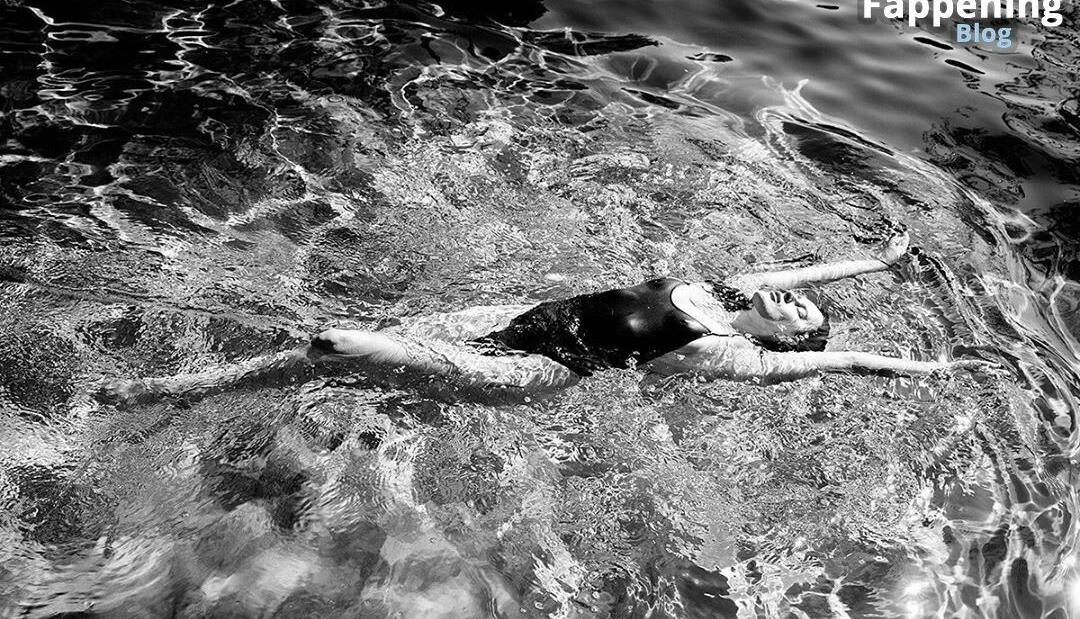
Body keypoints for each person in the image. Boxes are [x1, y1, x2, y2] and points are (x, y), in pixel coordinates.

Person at [95, 228, 991, 408]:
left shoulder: (736, 354)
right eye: (797, 294)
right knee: (314, 352)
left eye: (800, 313)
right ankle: (187, 388)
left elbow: (849, 362)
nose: (793, 297)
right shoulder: (731, 287)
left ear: (787, 340)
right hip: (519, 316)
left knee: (346, 348)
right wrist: (878, 262)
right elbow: (811, 268)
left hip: (539, 370)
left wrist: (932, 369)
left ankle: (175, 391)